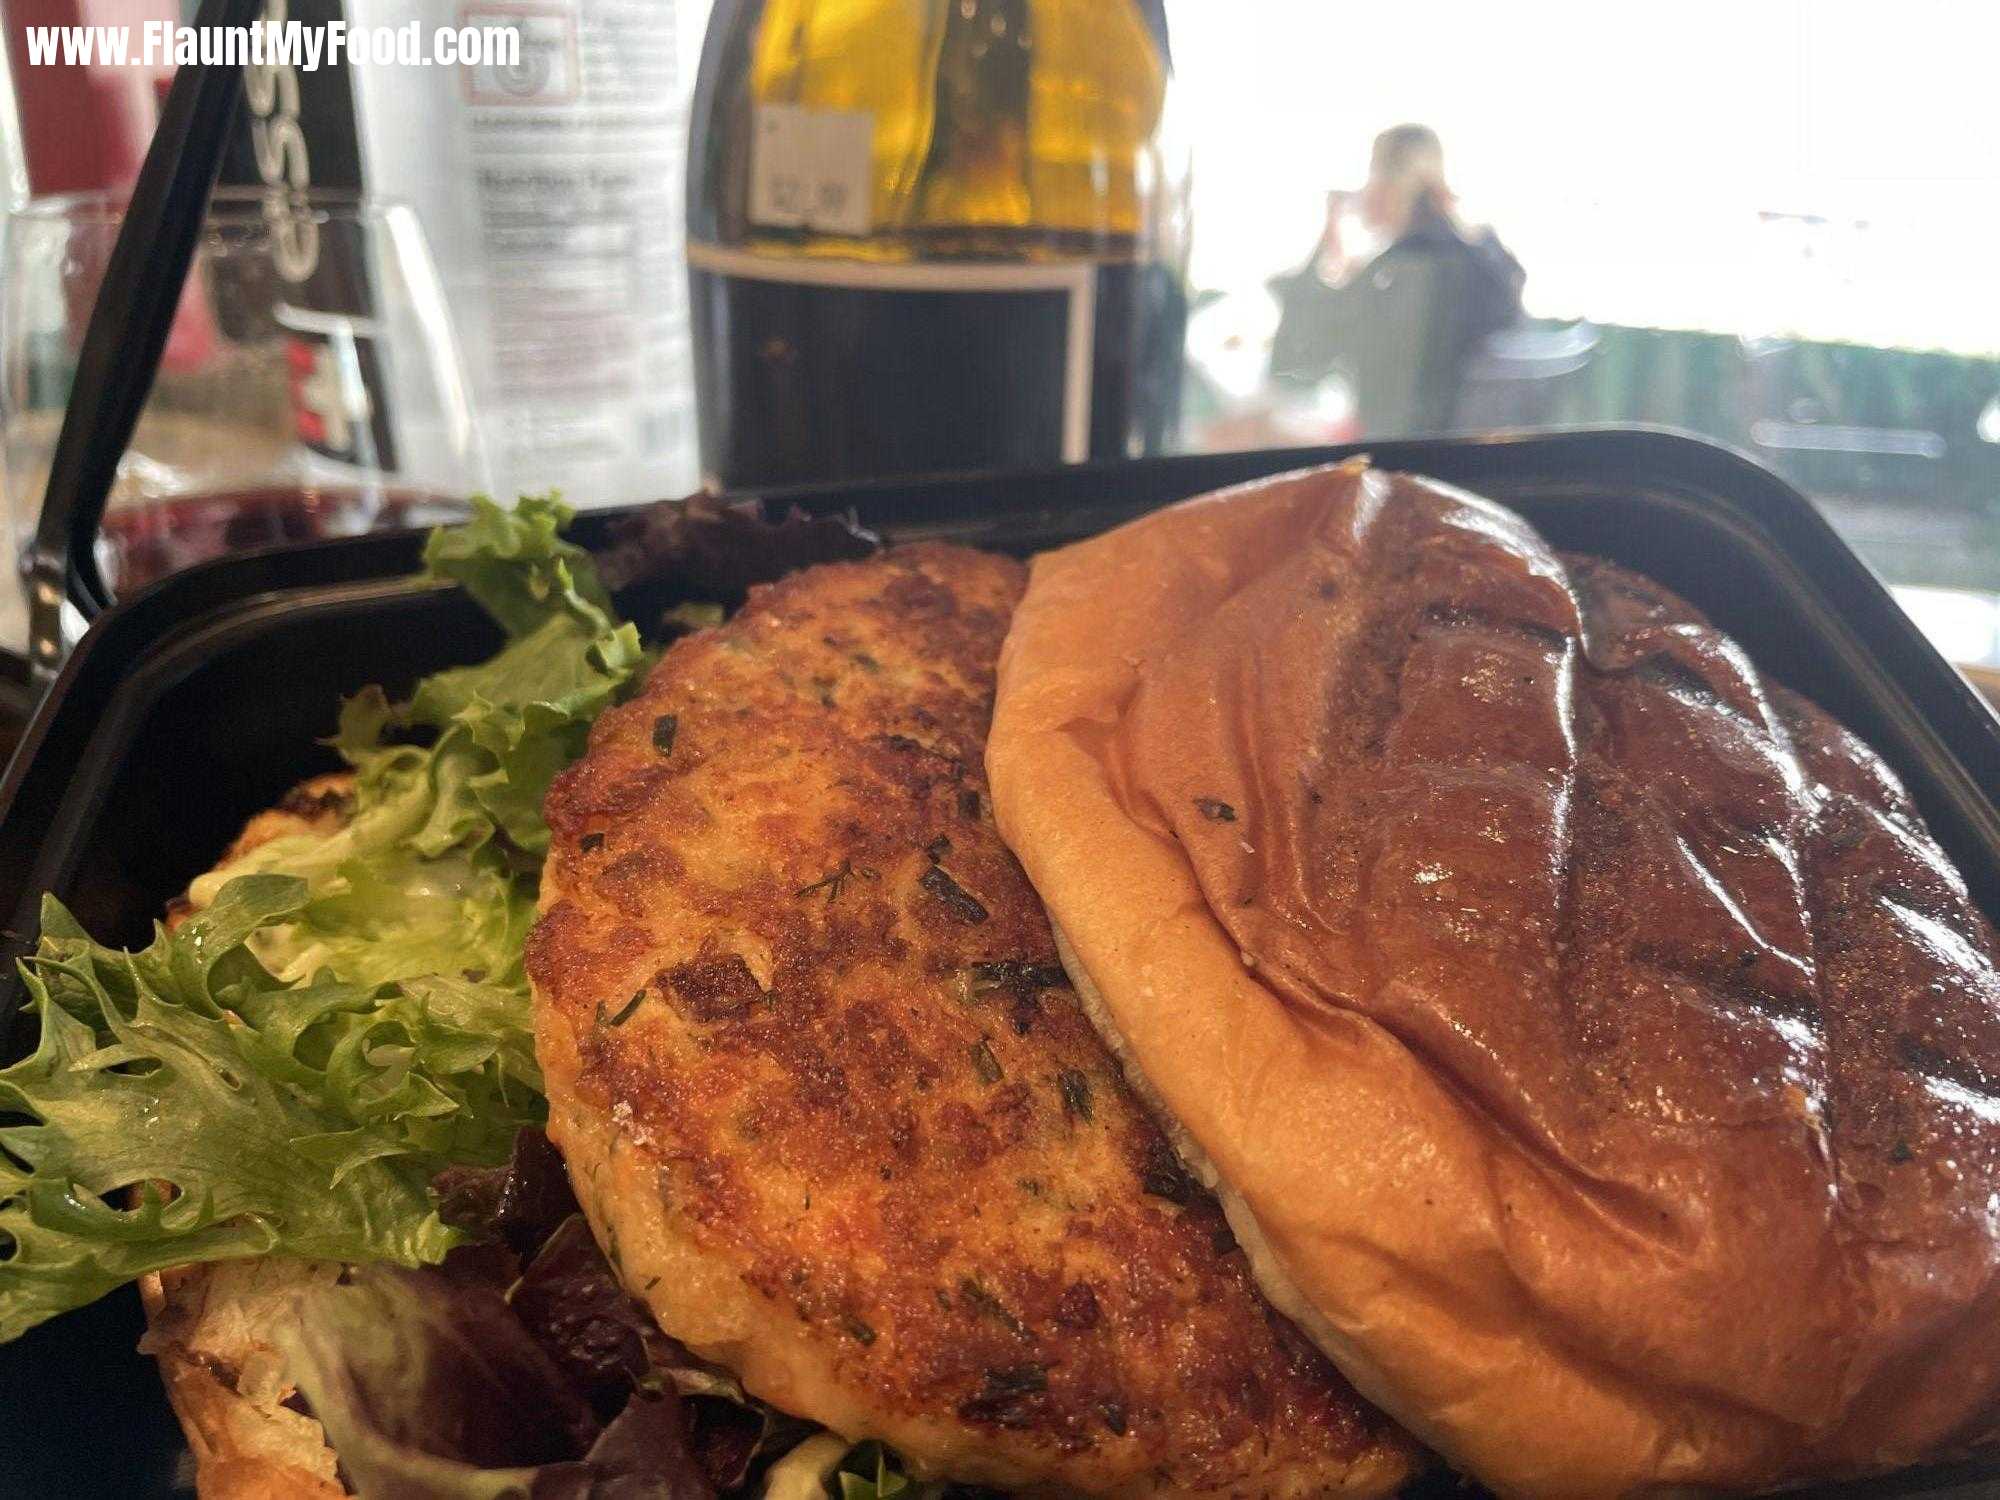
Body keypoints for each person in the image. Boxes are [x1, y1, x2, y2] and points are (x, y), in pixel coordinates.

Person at [1270, 124, 1525, 432]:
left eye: (1372, 175)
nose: (1364, 191)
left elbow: (1295, 361)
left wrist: (1327, 244)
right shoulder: (1485, 259)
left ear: (1389, 187)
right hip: (1465, 450)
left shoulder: (1396, 274)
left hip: (1399, 454)